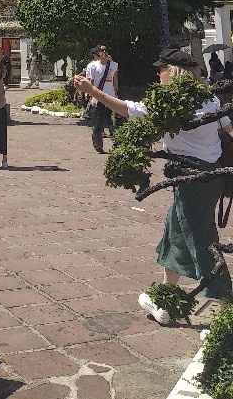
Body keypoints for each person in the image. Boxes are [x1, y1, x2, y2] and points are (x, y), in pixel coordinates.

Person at [74, 47, 233, 316]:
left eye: (160, 70)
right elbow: (227, 128)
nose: (157, 75)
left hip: (192, 180)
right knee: (175, 232)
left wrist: (93, 92)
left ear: (171, 73)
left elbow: (128, 109)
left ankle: (224, 309)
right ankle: (166, 295)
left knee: (201, 242)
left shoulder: (169, 104)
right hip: (212, 177)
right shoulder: (209, 100)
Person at [83, 44, 119, 153]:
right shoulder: (92, 66)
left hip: (110, 96)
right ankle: (98, 145)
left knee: (112, 122)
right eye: (101, 51)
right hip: (98, 97)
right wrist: (90, 95)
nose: (104, 52)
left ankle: (118, 144)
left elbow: (115, 79)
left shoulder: (113, 65)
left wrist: (116, 93)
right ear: (98, 53)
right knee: (98, 123)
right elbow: (90, 81)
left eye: (105, 50)